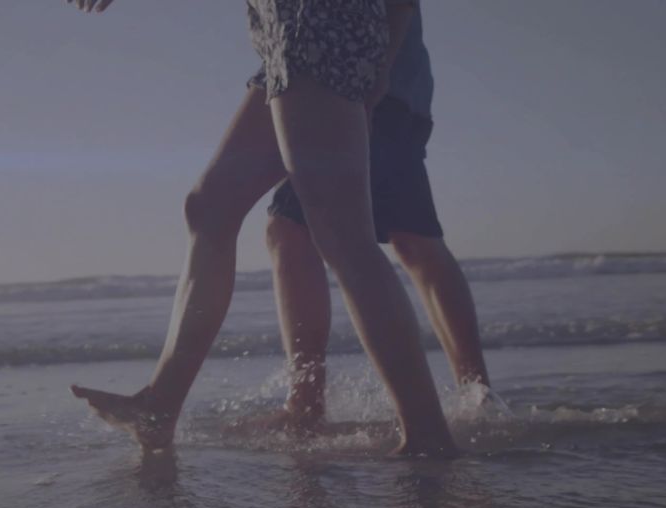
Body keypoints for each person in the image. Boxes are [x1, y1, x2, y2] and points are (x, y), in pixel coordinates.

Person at [66, 0, 458, 456]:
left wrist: (383, 63)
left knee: (343, 235)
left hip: (319, 29)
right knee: (209, 208)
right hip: (288, 40)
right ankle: (159, 407)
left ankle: (428, 435)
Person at [262, 2, 491, 432]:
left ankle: (306, 404)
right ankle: (478, 393)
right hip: (380, 86)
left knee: (291, 229)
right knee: (413, 238)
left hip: (361, 83)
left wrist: (378, 73)